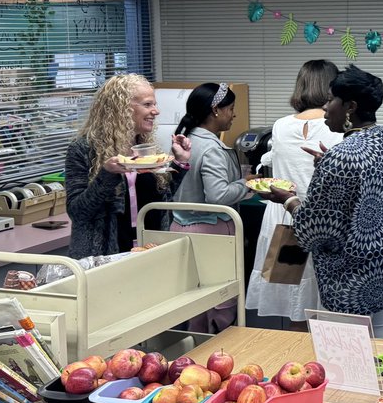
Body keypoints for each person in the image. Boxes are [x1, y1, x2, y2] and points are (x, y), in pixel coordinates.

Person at [265, 66, 383, 338]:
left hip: (348, 278)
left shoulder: (340, 157)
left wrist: (289, 200)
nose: (326, 107)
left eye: (331, 100)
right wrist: (328, 166)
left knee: (346, 354)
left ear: (350, 106)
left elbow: (316, 234)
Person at [246, 60, 341, 327]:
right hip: (323, 221)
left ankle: (295, 360)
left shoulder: (280, 125)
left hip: (284, 219)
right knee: (327, 305)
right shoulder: (336, 127)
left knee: (292, 303)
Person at [64, 74, 191, 260]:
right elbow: (78, 213)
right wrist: (107, 175)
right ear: (121, 109)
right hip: (105, 256)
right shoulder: (83, 149)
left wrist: (179, 163)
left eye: (154, 104)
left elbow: (162, 199)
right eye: (148, 105)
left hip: (148, 249)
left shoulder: (145, 148)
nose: (156, 111)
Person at [170, 82, 256, 334]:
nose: (234, 114)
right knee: (218, 305)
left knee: (192, 302)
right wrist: (246, 183)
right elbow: (218, 196)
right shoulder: (212, 149)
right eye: (231, 108)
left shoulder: (186, 140)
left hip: (180, 227)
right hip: (210, 231)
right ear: (216, 110)